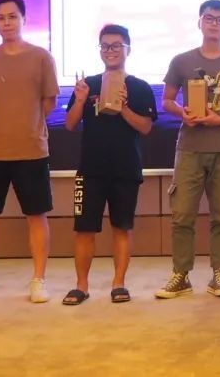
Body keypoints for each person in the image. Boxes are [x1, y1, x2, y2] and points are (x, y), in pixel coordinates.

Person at [155, 0, 220, 299]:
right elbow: (167, 101)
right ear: (199, 22)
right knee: (182, 215)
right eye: (209, 18)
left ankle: (219, 275)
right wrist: (182, 112)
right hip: (190, 147)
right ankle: (180, 275)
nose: (214, 23)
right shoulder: (181, 61)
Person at [0, 0, 59, 304]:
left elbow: (49, 102)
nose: (7, 23)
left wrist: (27, 124)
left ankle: (39, 280)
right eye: (1, 18)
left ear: (24, 19)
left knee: (37, 215)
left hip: (32, 150)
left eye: (12, 16)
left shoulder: (41, 57)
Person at [62, 24, 157, 305]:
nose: (110, 51)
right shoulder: (87, 84)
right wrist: (80, 100)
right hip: (90, 168)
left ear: (128, 49)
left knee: (122, 227)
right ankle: (81, 286)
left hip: (125, 168)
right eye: (105, 46)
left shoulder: (139, 87)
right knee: (84, 229)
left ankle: (119, 284)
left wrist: (123, 107)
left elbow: (146, 127)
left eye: (116, 46)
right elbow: (69, 124)